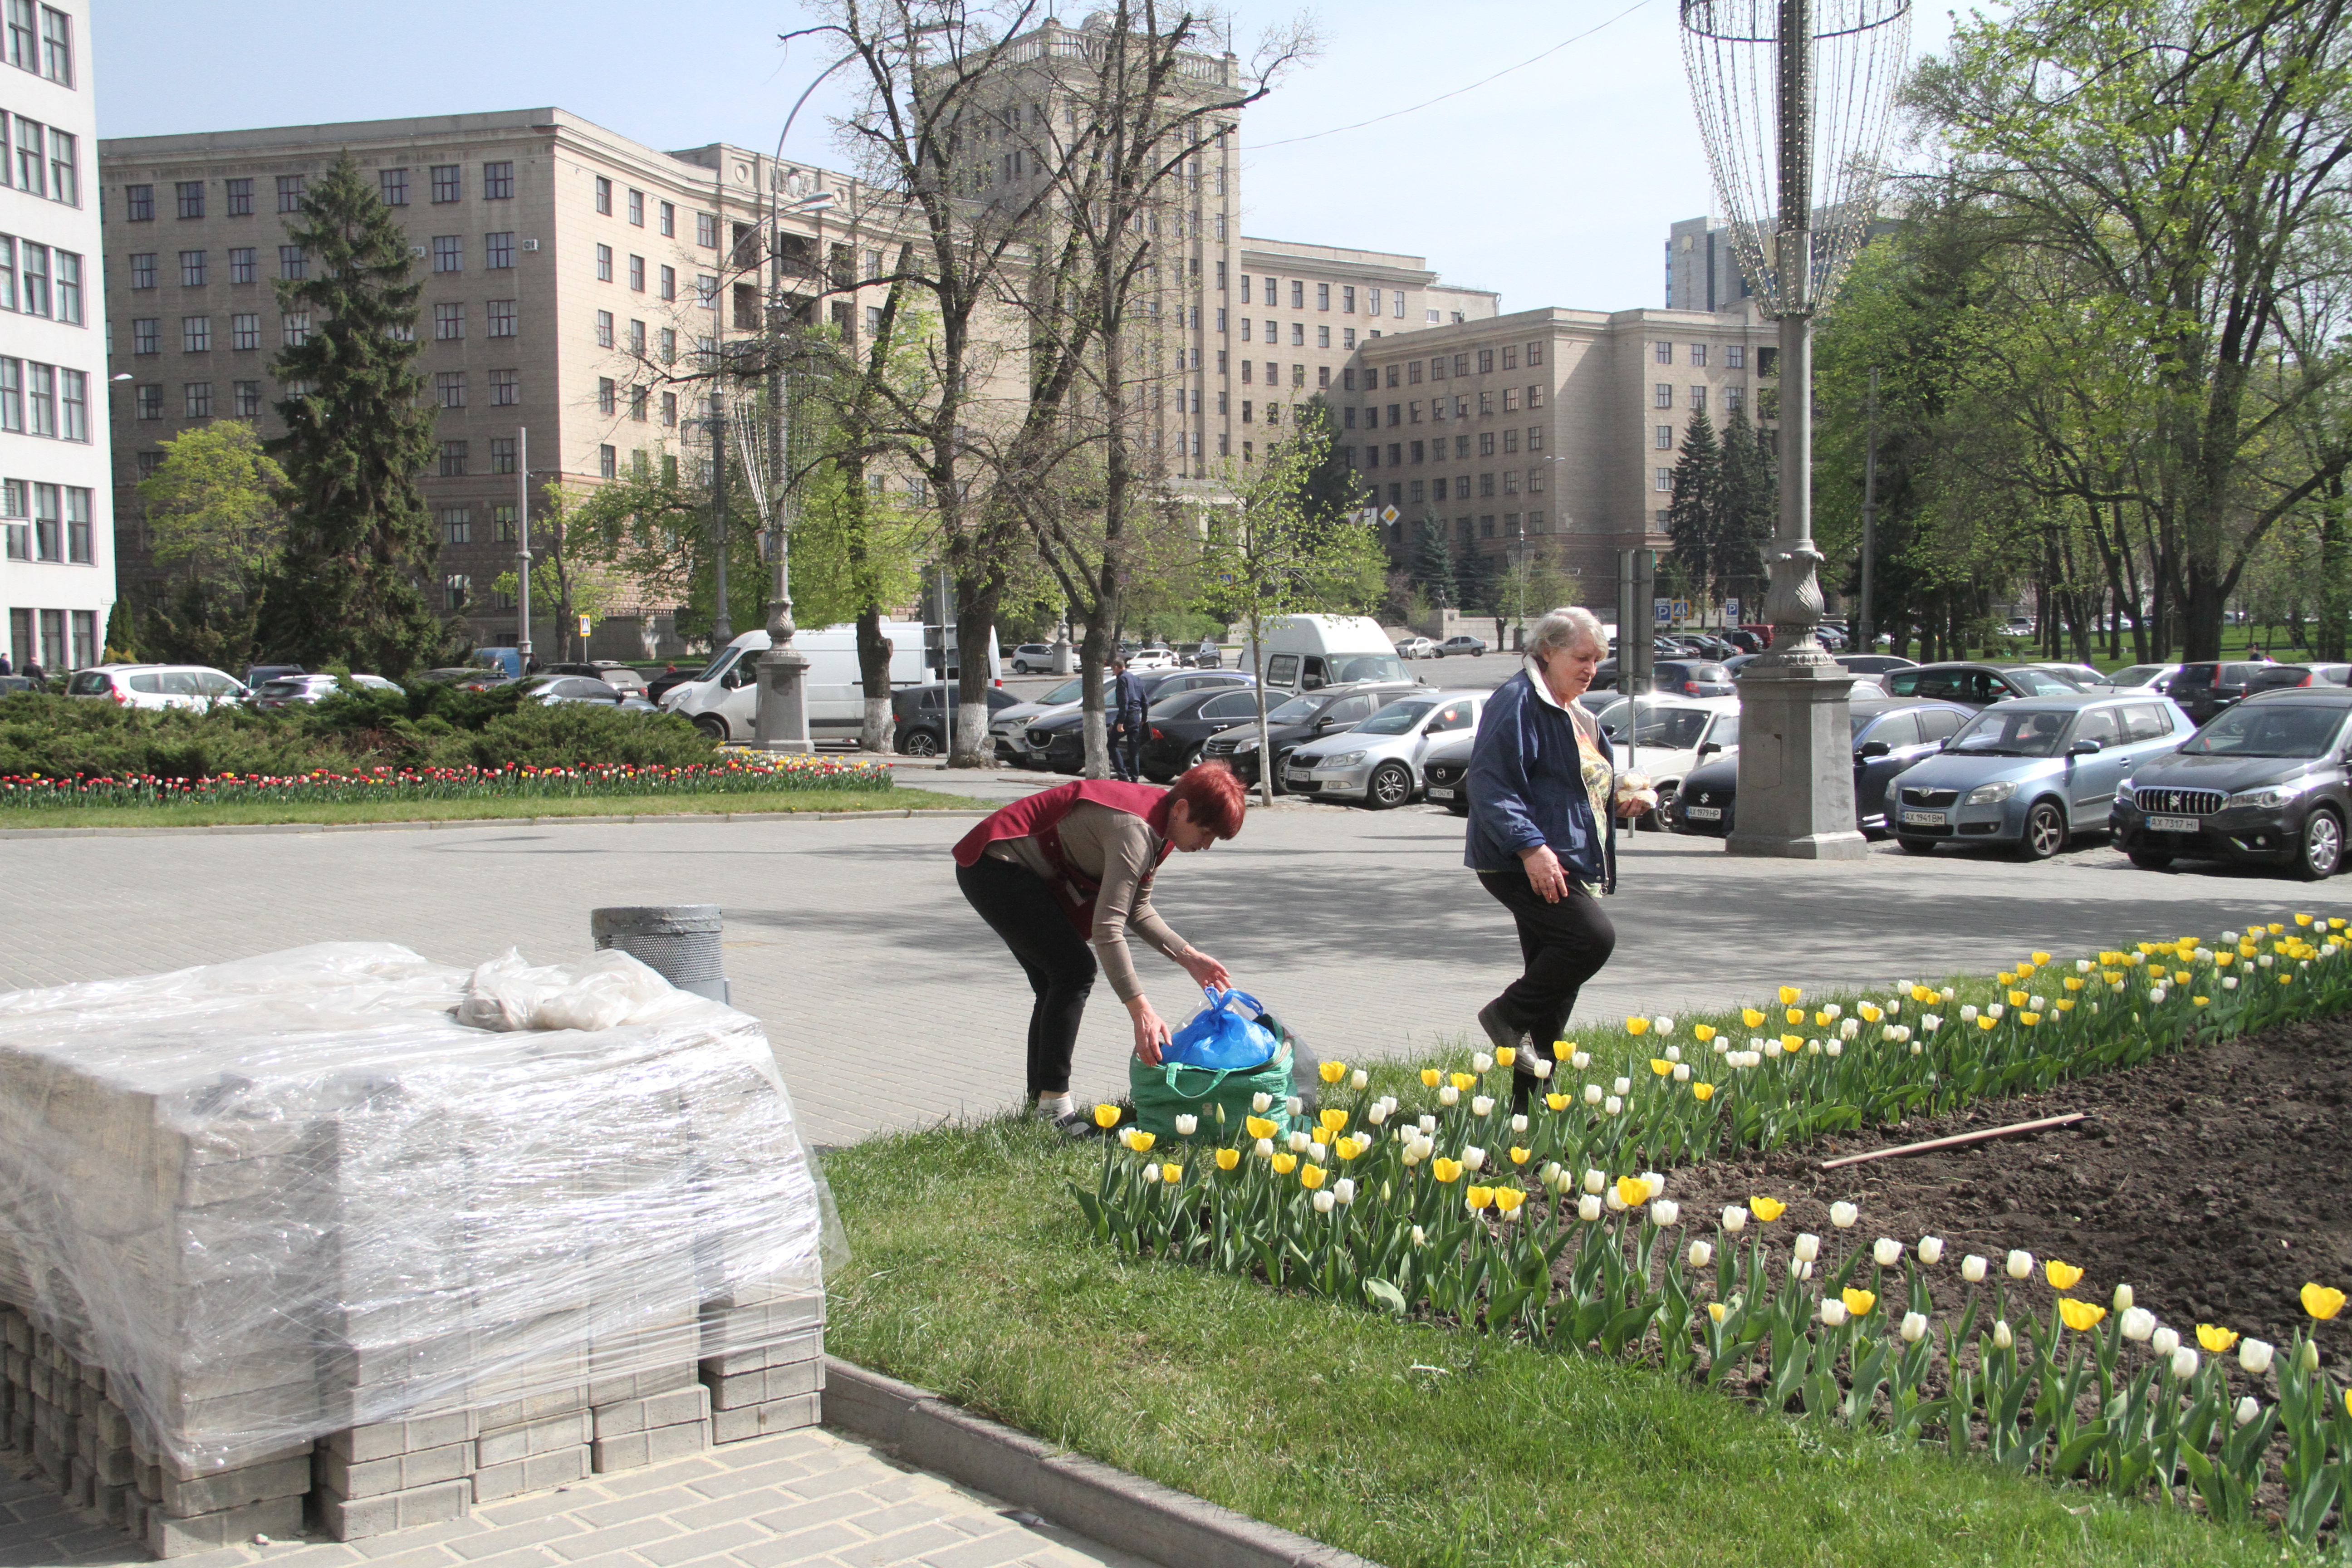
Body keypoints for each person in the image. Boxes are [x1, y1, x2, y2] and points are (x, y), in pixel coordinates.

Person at [952, 763, 1245, 1133]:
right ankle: (1055, 1111)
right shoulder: (1136, 831)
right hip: (993, 865)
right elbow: (1108, 927)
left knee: (1057, 980)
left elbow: (1135, 909)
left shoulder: (1162, 827)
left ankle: (1042, 1107)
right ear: (1183, 809)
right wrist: (1141, 1010)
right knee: (1073, 972)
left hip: (1006, 870)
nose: (1206, 845)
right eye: (1206, 832)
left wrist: (1189, 957)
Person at [1465, 606, 1650, 1108]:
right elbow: (1490, 784)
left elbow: (1570, 788)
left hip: (1564, 856)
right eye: (1581, 657)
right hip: (1520, 858)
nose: (1591, 668)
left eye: (1598, 659)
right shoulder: (1519, 700)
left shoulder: (1573, 711)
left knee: (1556, 987)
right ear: (1547, 651)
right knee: (1591, 939)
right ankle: (1505, 1015)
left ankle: (1532, 1109)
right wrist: (1531, 848)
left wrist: (1620, 800)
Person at [1109, 655, 1147, 782]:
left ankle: (1123, 775)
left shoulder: (1122, 679)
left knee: (1112, 745)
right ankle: (1135, 778)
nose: (1113, 671)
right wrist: (1144, 719)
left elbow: (1124, 702)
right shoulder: (1136, 679)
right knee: (1134, 749)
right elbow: (1145, 702)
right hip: (1137, 716)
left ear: (1116, 667)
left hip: (1127, 716)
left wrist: (1120, 722)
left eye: (1112, 668)